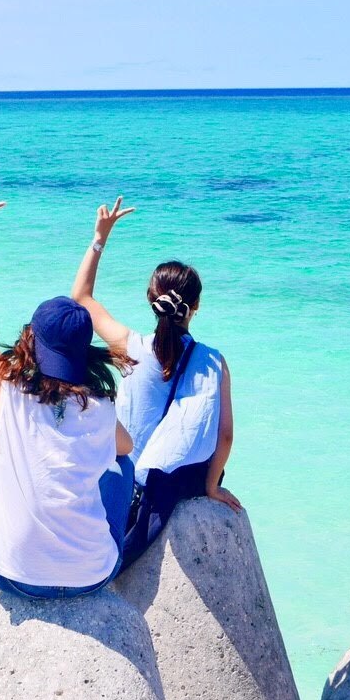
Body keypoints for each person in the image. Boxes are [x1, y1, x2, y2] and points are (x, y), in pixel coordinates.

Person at [0, 183, 139, 598]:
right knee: (123, 467)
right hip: (93, 577)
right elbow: (125, 446)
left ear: (31, 339)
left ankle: (21, 540)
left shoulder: (8, 389)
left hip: (15, 578)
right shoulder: (98, 406)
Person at [70, 194, 241, 558]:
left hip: (130, 482)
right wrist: (212, 486)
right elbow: (225, 436)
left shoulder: (129, 347)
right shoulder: (214, 361)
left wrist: (100, 237)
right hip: (178, 484)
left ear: (151, 299)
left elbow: (81, 298)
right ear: (195, 308)